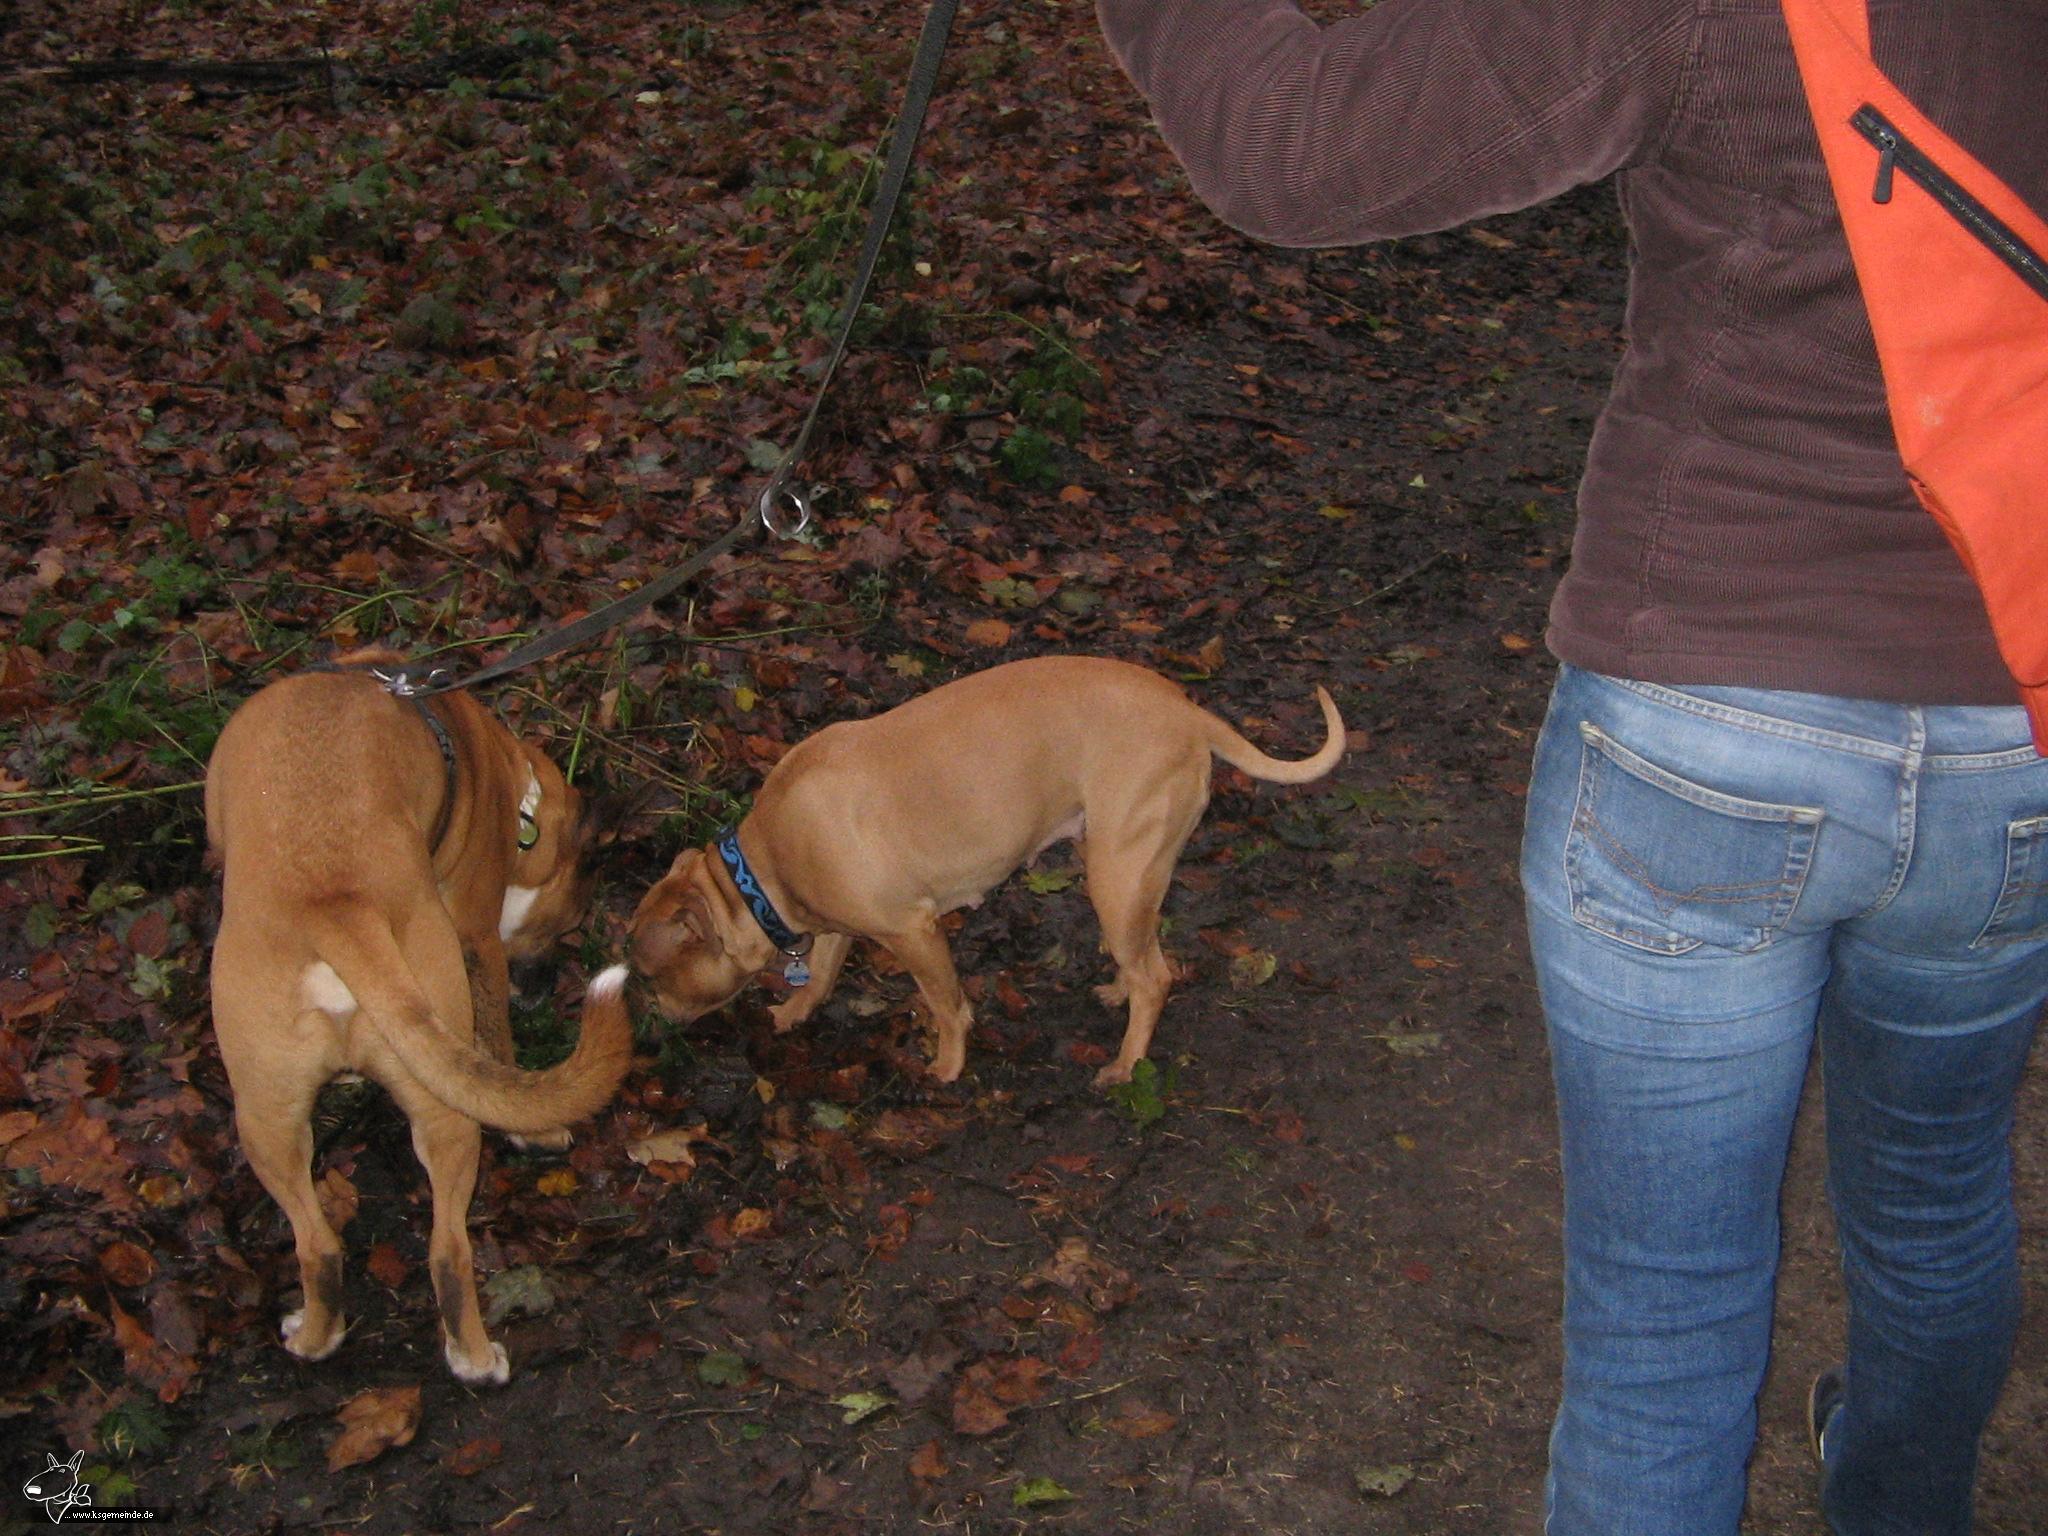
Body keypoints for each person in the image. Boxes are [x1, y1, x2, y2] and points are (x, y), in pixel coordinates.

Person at [1094, 2, 2048, 1533]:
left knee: (1664, 1325)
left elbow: (1291, 142)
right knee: (1939, 1195)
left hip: (1709, 720)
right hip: (2021, 726)